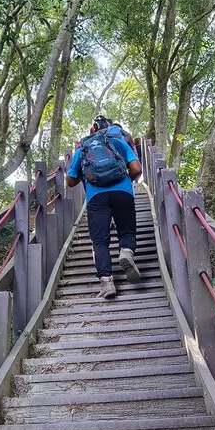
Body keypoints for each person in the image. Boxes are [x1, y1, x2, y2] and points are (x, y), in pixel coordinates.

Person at [67, 116, 142, 299]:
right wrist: (126, 181)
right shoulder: (119, 143)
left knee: (99, 242)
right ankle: (125, 252)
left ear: (93, 131)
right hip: (123, 192)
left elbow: (70, 181)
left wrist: (85, 177)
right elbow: (137, 169)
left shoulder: (83, 148)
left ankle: (107, 282)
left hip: (96, 196)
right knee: (127, 232)